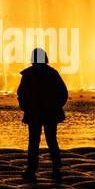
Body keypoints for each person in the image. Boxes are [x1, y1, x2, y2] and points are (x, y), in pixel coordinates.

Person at [17, 48, 68, 182]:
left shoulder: (28, 74)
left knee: (33, 142)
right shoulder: (52, 73)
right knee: (52, 140)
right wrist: (57, 106)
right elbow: (63, 92)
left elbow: (21, 93)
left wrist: (25, 108)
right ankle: (56, 169)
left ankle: (31, 170)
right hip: (51, 113)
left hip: (34, 113)